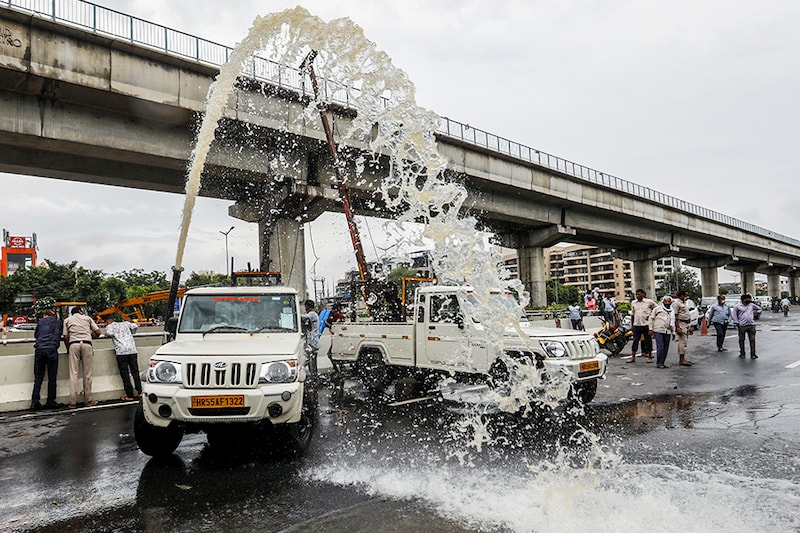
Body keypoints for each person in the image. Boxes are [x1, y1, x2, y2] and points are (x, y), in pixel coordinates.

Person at [62, 306, 101, 408]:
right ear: (80, 311)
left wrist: (68, 349)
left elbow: (65, 337)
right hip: (87, 344)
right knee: (87, 373)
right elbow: (98, 332)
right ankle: (88, 400)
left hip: (73, 345)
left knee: (73, 373)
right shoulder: (87, 318)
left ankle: (73, 402)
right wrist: (89, 334)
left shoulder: (67, 320)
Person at [31, 308, 63, 409]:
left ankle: (35, 402)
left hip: (39, 349)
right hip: (51, 349)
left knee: (38, 377)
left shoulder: (40, 322)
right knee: (52, 377)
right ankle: (51, 401)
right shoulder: (58, 322)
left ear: (45, 315)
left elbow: (36, 335)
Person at [104, 318, 142, 401]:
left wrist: (106, 334)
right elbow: (135, 326)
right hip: (132, 350)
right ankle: (140, 392)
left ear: (108, 322)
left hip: (121, 352)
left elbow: (108, 333)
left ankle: (129, 395)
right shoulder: (125, 323)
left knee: (125, 375)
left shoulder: (110, 326)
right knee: (135, 372)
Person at [628, 289, 656, 363]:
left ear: (643, 294)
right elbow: (632, 314)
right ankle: (633, 357)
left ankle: (649, 356)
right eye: (636, 294)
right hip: (637, 324)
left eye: (639, 294)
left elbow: (656, 308)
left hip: (646, 324)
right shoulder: (633, 303)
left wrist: (651, 316)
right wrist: (632, 325)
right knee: (635, 341)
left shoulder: (649, 302)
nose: (637, 296)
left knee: (648, 341)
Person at [732, 293, 762, 359]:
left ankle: (753, 354)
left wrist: (757, 313)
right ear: (744, 299)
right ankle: (742, 353)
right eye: (748, 298)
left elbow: (759, 309)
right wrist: (737, 323)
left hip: (751, 325)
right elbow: (734, 315)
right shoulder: (737, 306)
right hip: (742, 325)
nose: (750, 300)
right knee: (741, 339)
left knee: (752, 340)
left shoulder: (751, 305)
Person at [649, 295, 675, 369]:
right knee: (660, 346)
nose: (667, 303)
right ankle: (659, 363)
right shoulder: (657, 309)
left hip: (667, 330)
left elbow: (672, 322)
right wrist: (651, 328)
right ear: (663, 302)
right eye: (665, 301)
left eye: (668, 301)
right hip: (658, 329)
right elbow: (651, 318)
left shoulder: (672, 311)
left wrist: (673, 332)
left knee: (666, 347)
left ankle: (662, 362)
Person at [672, 290, 693, 366]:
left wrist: (690, 327)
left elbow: (687, 315)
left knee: (685, 342)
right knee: (682, 342)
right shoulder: (676, 304)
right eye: (685, 295)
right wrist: (677, 327)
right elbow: (675, 316)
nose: (687, 297)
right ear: (681, 296)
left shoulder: (684, 303)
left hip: (686, 324)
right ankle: (681, 359)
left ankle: (683, 358)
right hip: (681, 324)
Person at [300, 299, 320, 379]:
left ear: (307, 307)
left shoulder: (312, 314)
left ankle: (314, 377)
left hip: (312, 343)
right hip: (312, 342)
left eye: (305, 306)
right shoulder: (312, 314)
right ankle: (313, 377)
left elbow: (302, 317)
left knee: (310, 361)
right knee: (310, 360)